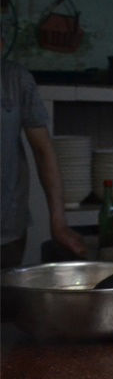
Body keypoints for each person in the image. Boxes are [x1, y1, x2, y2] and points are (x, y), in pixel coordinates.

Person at [1, 45, 85, 268]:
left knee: (6, 301)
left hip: (7, 230)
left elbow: (43, 150)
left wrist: (58, 223)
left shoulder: (15, 80)